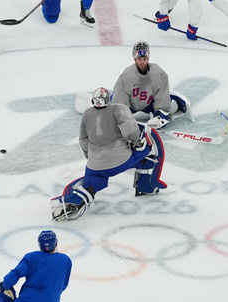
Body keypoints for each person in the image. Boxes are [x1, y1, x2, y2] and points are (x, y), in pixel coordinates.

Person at [51, 87, 166, 221]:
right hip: (120, 162)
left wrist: (92, 158)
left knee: (91, 185)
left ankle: (75, 202)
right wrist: (138, 143)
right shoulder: (118, 108)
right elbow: (130, 131)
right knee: (148, 154)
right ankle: (146, 187)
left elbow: (83, 140)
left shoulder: (87, 113)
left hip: (94, 165)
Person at [111, 41, 192, 126]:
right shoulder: (126, 76)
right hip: (131, 104)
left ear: (148, 58)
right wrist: (122, 117)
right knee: (113, 110)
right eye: (139, 59)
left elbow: (162, 96)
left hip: (149, 104)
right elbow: (120, 99)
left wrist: (160, 115)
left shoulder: (159, 74)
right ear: (134, 59)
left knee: (173, 107)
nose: (142, 63)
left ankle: (166, 104)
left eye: (144, 59)